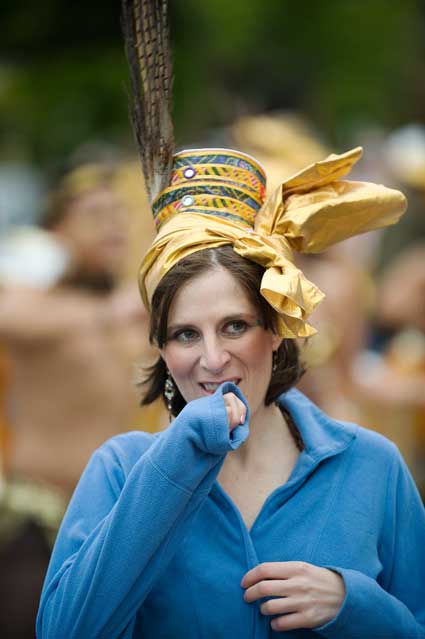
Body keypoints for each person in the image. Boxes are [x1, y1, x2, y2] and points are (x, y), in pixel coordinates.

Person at [37, 2, 424, 637]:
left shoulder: (372, 467)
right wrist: (180, 457)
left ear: (276, 329)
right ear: (160, 347)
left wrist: (352, 602)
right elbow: (66, 629)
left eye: (235, 326)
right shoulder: (123, 467)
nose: (212, 359)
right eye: (185, 334)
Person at [0, 163, 160, 639]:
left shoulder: (134, 313)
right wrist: (106, 314)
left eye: (118, 213)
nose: (112, 225)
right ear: (56, 229)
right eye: (94, 214)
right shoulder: (33, 302)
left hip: (115, 527)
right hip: (35, 522)